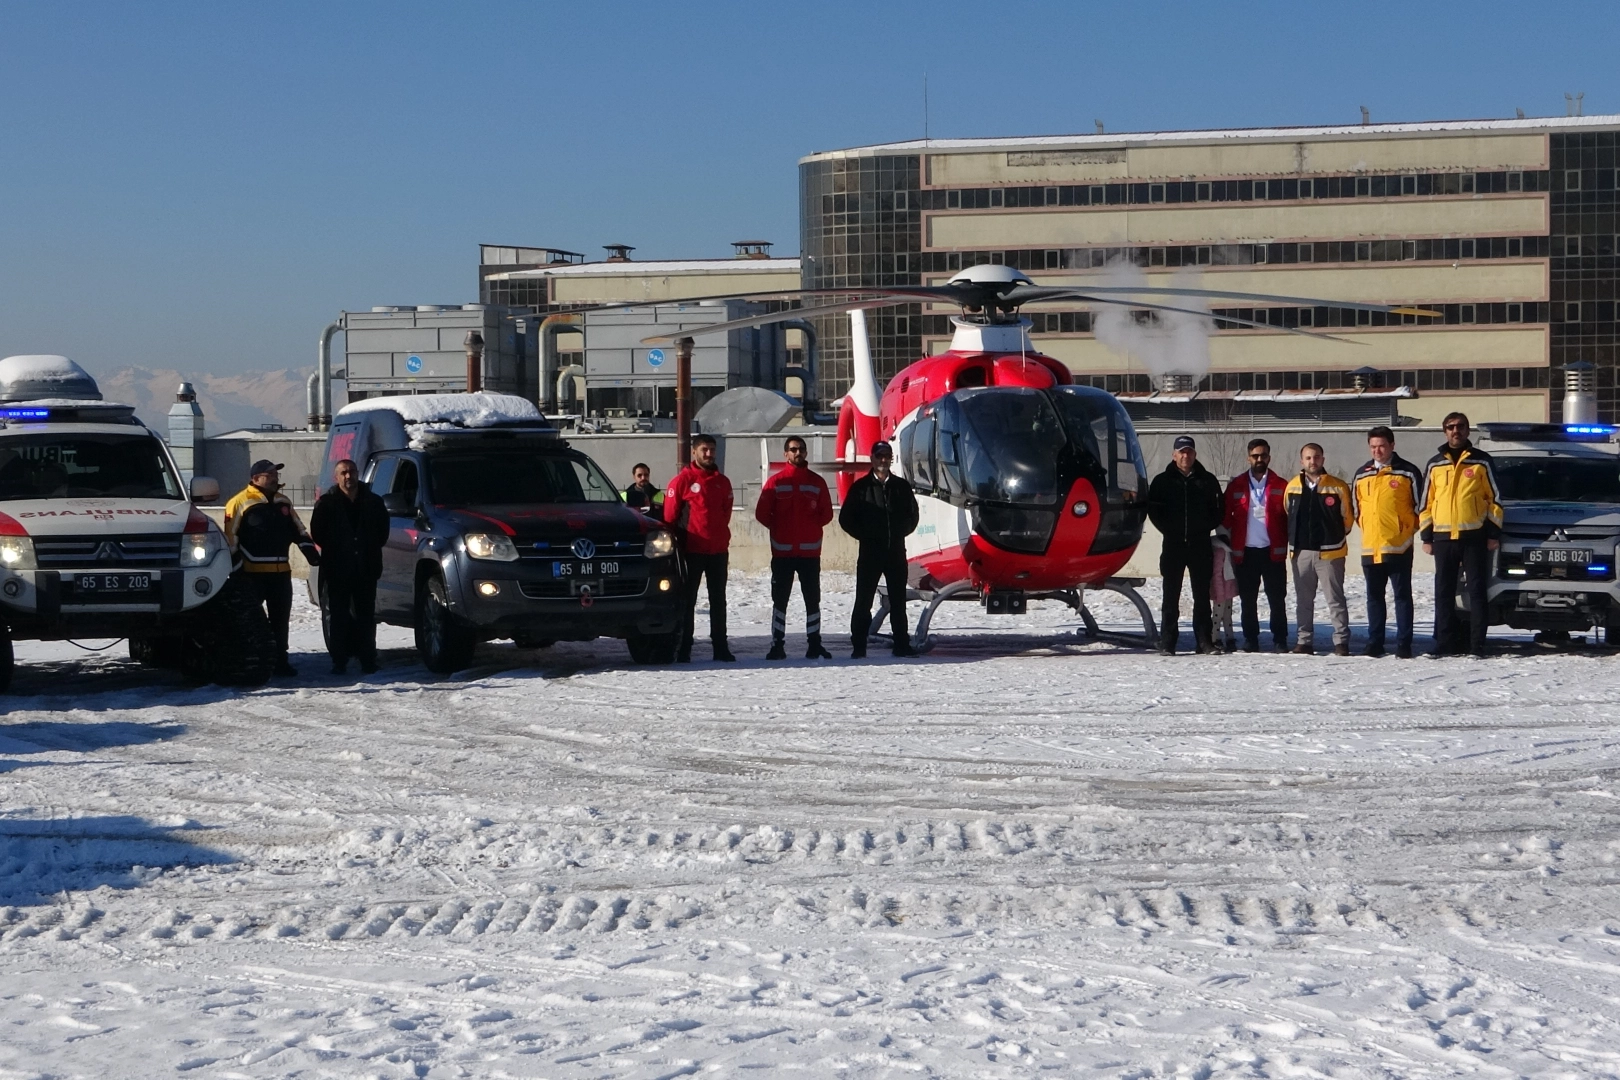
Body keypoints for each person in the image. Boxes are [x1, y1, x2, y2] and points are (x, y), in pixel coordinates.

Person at [1419, 412, 1503, 657]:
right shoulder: (1435, 463)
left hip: (1474, 536)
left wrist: (1492, 533)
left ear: (1468, 430)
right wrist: (1426, 536)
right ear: (1444, 431)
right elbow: (1426, 503)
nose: (1455, 431)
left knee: (1477, 591)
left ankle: (1477, 645)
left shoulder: (1481, 462)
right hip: (1443, 538)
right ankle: (1443, 643)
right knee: (1443, 591)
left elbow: (1495, 500)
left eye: (1460, 427)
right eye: (1450, 427)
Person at [223, 459, 315, 677]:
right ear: (255, 478)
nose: (275, 478)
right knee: (251, 623)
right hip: (251, 575)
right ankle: (248, 661)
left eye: (276, 474)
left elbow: (299, 530)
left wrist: (311, 552)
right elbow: (230, 538)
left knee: (280, 621)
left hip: (281, 574)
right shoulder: (239, 502)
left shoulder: (284, 502)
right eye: (270, 474)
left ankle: (280, 661)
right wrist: (236, 569)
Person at [755, 435, 835, 659]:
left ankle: (814, 643)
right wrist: (779, 529)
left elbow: (826, 514)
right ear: (785, 454)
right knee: (780, 600)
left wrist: (810, 527)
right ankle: (777, 644)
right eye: (793, 449)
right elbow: (762, 514)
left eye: (801, 449)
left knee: (813, 600)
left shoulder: (816, 482)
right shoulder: (776, 482)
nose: (797, 453)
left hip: (810, 554)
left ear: (806, 452)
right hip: (782, 553)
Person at [309, 458, 390, 675]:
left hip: (366, 568)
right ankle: (339, 660)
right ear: (336, 477)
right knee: (338, 617)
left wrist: (367, 548)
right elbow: (318, 533)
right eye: (344, 473)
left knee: (366, 616)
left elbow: (382, 533)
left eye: (352, 472)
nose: (348, 476)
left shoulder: (373, 502)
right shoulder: (327, 503)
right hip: (337, 569)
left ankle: (368, 660)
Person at [839, 440, 920, 658]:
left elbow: (913, 515)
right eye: (879, 456)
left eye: (887, 456)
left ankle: (902, 644)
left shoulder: (901, 487)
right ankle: (859, 646)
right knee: (863, 600)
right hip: (870, 553)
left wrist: (899, 532)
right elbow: (846, 519)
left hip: (895, 552)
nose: (883, 460)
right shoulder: (861, 488)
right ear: (873, 459)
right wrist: (866, 535)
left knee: (898, 601)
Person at [1147, 435, 1224, 654]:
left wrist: (1203, 528)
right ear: (1174, 455)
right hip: (1173, 545)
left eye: (1189, 451)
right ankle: (1168, 642)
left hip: (1200, 545)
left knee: (1201, 596)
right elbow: (1154, 511)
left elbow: (1219, 510)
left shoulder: (1207, 480)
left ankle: (1204, 641)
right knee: (1170, 596)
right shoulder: (1162, 481)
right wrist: (1170, 529)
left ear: (1194, 454)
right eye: (1181, 451)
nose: (1185, 455)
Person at [1351, 425, 1422, 658]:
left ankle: (1404, 643)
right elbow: (1356, 509)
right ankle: (1375, 642)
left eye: (1381, 446)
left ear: (1392, 445)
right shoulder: (1362, 474)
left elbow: (1420, 507)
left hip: (1399, 545)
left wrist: (1406, 530)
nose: (1377, 451)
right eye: (1373, 446)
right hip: (1371, 547)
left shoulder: (1408, 472)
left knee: (1402, 596)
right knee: (1374, 597)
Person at [663, 434, 735, 662]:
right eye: (704, 449)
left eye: (712, 449)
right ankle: (684, 647)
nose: (709, 454)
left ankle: (720, 646)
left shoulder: (723, 482)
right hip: (692, 551)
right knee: (688, 600)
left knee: (718, 600)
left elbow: (726, 512)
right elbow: (669, 517)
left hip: (718, 551)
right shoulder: (682, 481)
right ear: (694, 452)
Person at [1219, 438, 1290, 653]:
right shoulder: (1236, 485)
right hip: (1246, 553)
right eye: (1255, 456)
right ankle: (1251, 638)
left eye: (1264, 455)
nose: (1260, 459)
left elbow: (1289, 517)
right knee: (1248, 599)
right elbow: (1225, 516)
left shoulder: (1281, 484)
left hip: (1272, 552)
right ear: (1248, 458)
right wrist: (1226, 541)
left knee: (1277, 598)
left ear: (1269, 457)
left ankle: (1280, 639)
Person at [1284, 443, 1354, 656]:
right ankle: (1304, 641)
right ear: (1301, 461)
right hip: (1301, 553)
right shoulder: (1293, 486)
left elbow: (1348, 520)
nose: (1312, 462)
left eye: (1316, 457)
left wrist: (1332, 536)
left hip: (1330, 553)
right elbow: (1288, 512)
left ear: (1323, 459)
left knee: (1335, 599)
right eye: (1308, 458)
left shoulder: (1338, 486)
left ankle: (1341, 641)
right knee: (1303, 600)